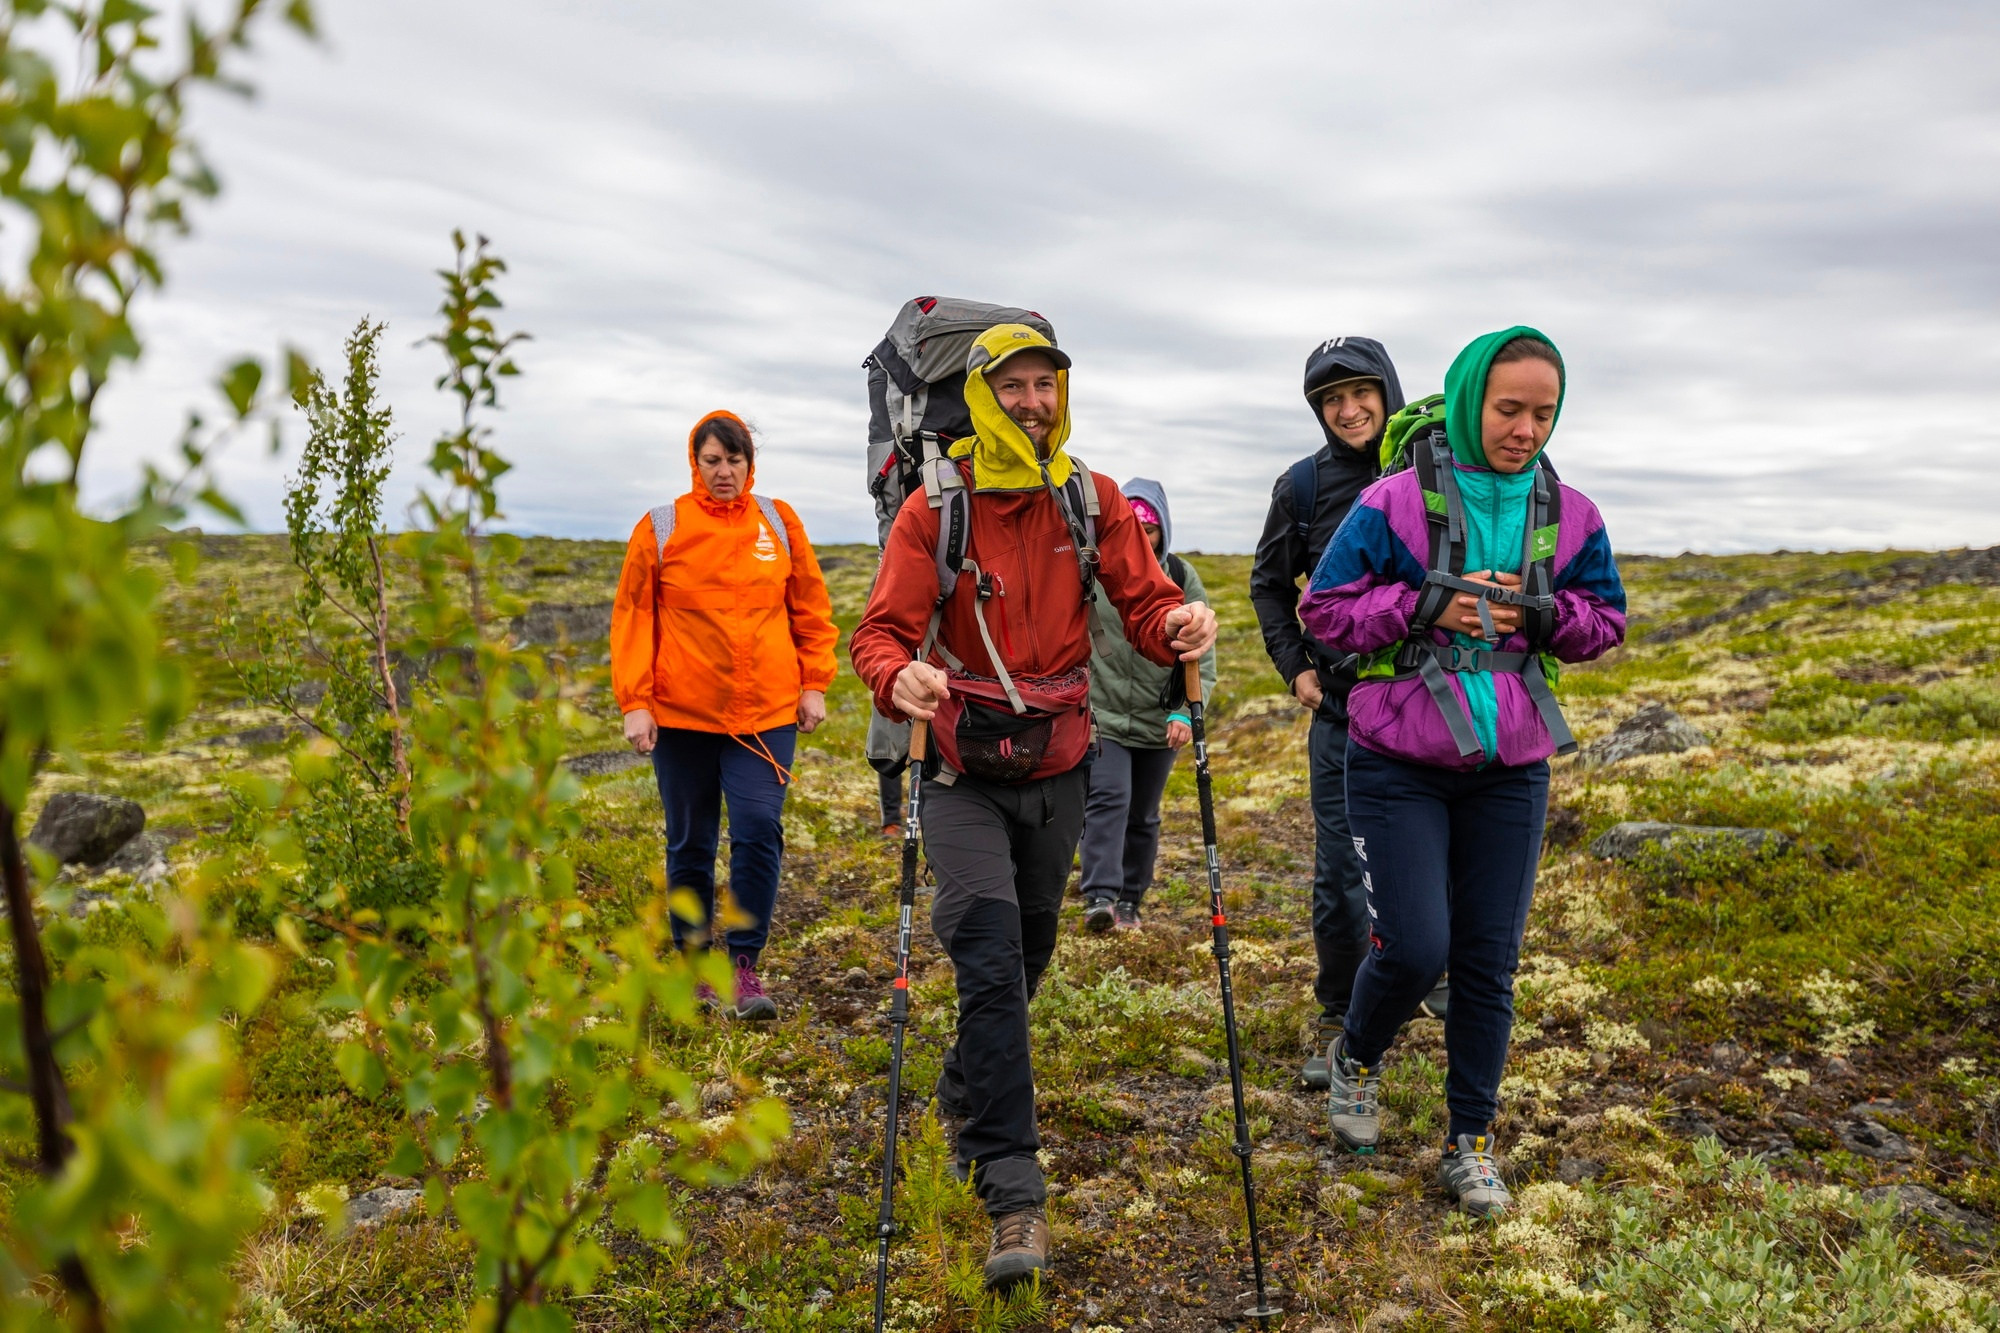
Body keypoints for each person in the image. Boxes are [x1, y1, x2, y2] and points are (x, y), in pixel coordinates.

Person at [850, 325, 1217, 1288]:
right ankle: (1013, 1192)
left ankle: (962, 1093)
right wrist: (901, 680)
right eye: (1012, 385)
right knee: (984, 938)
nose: (1032, 401)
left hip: (1059, 762)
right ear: (979, 396)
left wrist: (1176, 620)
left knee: (1027, 958)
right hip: (961, 769)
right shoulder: (937, 507)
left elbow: (1142, 602)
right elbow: (879, 630)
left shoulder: (1089, 498)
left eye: (1045, 385)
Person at [1299, 328, 1626, 1215]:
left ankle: (1471, 1141)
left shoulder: (1573, 512)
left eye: (1544, 412)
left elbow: (1607, 620)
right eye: (1509, 408)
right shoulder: (1393, 502)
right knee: (1414, 945)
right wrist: (1429, 602)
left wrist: (1548, 615)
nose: (1526, 429)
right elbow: (1324, 611)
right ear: (1471, 399)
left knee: (1488, 960)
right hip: (1397, 757)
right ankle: (1357, 1056)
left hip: (1512, 763)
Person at [1249, 336, 1445, 1091]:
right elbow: (1268, 585)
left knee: (1443, 858)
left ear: (1388, 391)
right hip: (1343, 711)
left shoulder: (1436, 462)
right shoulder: (1300, 486)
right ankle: (1339, 1007)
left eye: (1362, 392)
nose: (1349, 408)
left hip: (1434, 703)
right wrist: (1294, 665)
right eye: (1332, 400)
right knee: (1341, 872)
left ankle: (1437, 981)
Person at [611, 410, 840, 1021]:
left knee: (759, 831)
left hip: (764, 715)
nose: (723, 472)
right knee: (690, 842)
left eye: (733, 460)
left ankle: (742, 964)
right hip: (682, 717)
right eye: (711, 461)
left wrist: (813, 683)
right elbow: (633, 617)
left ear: (749, 463)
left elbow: (811, 609)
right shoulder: (661, 527)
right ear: (695, 463)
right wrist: (635, 702)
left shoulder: (778, 520)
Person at [1077, 478, 1215, 933]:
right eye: (1134, 524)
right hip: (1105, 715)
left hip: (1161, 720)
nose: (1143, 534)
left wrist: (1184, 711)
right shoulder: (1095, 569)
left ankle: (1131, 900)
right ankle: (1100, 896)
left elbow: (1203, 655)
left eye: (1150, 527)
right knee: (1108, 798)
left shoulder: (1179, 575)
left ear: (1163, 530)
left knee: (1144, 813)